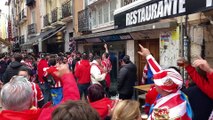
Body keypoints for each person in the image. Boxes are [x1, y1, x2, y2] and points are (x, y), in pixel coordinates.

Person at [0, 64, 80, 120]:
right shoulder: (44, 116)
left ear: (1, 102)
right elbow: (71, 105)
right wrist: (66, 75)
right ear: (31, 101)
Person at [138, 44, 192, 120]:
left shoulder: (164, 111)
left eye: (156, 81)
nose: (154, 82)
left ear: (163, 86)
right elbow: (159, 72)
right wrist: (148, 55)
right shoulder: (178, 93)